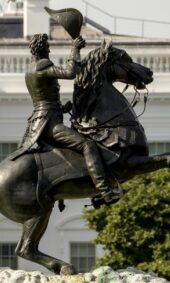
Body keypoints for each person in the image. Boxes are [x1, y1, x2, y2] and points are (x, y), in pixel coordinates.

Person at [8, 32, 122, 204]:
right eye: (48, 46)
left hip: (41, 119)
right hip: (49, 123)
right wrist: (74, 49)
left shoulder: (30, 70)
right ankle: (104, 191)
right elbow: (70, 72)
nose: (49, 49)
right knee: (87, 145)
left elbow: (43, 100)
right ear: (43, 49)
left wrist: (62, 108)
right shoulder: (42, 65)